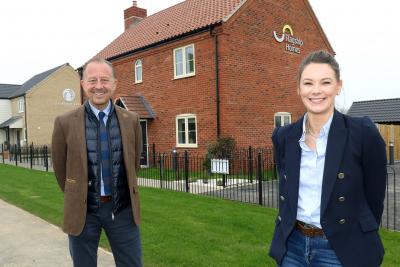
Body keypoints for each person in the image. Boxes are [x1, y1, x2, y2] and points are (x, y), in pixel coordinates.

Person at [269, 50, 387, 267]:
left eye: (325, 82)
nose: (316, 91)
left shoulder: (362, 132)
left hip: (340, 247)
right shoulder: (284, 136)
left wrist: (358, 232)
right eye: (308, 83)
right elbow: (287, 192)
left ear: (338, 86)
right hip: (293, 245)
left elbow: (375, 196)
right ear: (298, 88)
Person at [51, 57, 143, 267]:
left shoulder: (132, 120)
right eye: (92, 80)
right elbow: (60, 169)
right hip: (83, 213)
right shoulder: (64, 122)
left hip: (122, 210)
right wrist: (77, 193)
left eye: (104, 80)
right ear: (83, 84)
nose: (99, 86)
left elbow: (133, 162)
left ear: (114, 84)